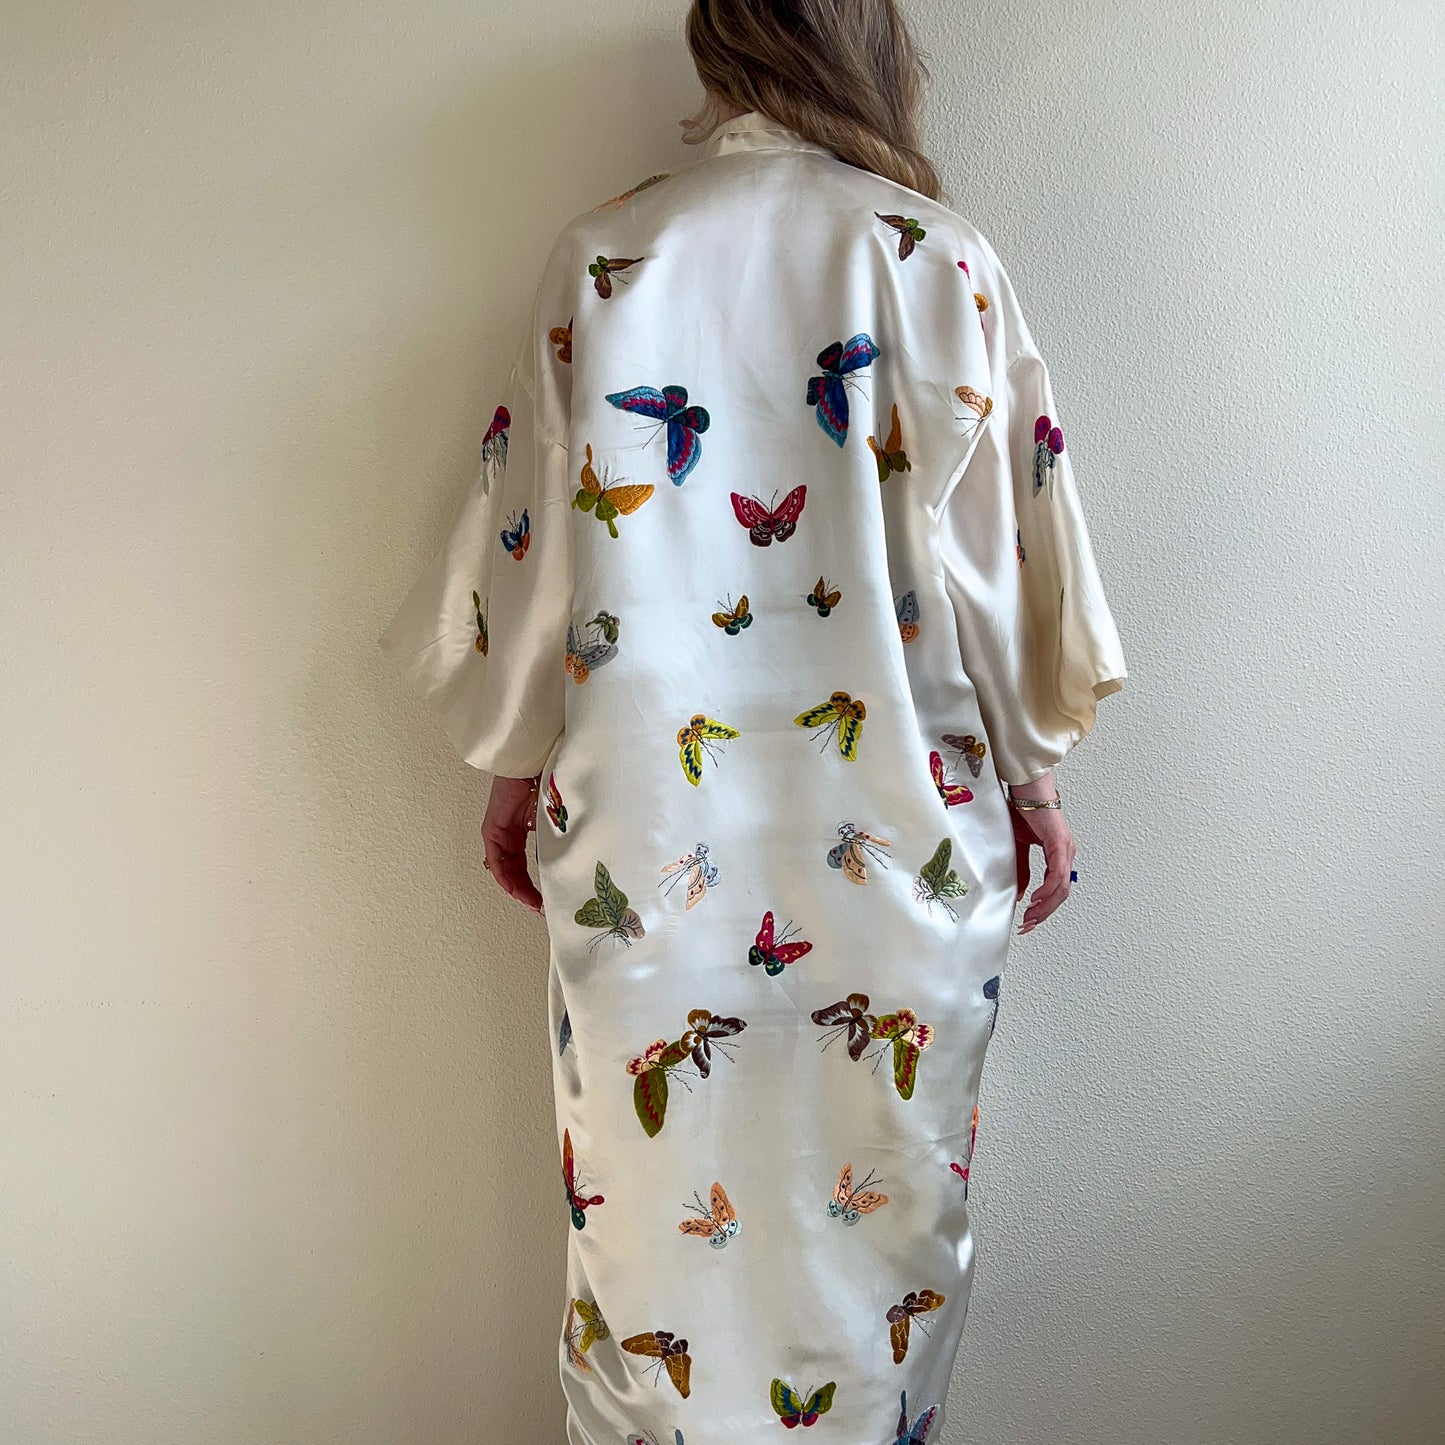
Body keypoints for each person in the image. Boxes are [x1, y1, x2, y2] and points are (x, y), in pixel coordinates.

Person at [379, 2, 1127, 1440]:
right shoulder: (934, 257)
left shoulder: (606, 256)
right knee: (883, 1227)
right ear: (868, 46)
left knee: (646, 1238)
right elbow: (1004, 555)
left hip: (648, 841)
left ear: (717, 45)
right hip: (904, 846)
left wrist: (513, 766)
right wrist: (1033, 780)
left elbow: (541, 552)